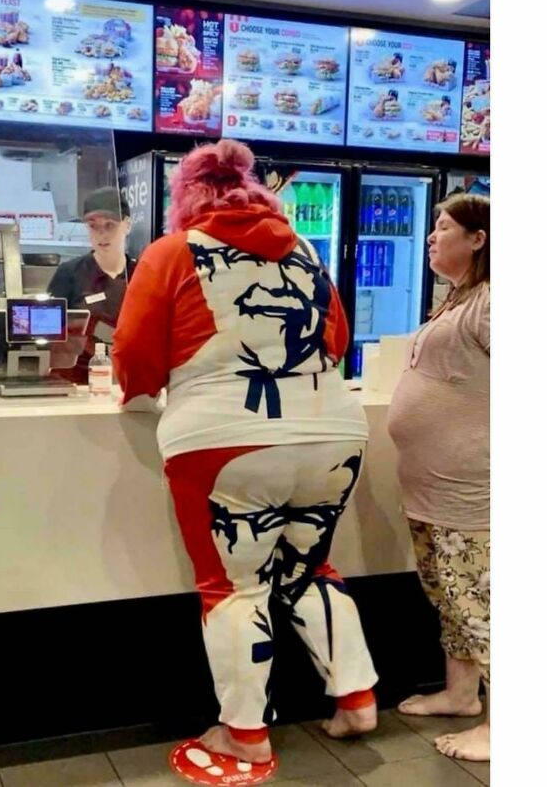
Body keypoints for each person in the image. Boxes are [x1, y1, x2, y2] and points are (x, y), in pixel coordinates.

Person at [112, 140, 378, 764]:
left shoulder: (172, 251)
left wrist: (137, 394)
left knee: (233, 587)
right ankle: (358, 701)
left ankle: (244, 736)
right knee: (309, 570)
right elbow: (336, 338)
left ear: (186, 201)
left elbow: (133, 354)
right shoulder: (307, 250)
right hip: (335, 433)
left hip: (223, 440)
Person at [387, 193, 490, 762]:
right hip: (431, 489)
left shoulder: (493, 301)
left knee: (482, 602)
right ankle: (460, 694)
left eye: (444, 227)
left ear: (477, 239)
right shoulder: (458, 299)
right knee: (450, 596)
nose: (431, 237)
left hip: (472, 492)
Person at [48, 186, 135, 382]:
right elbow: (48, 336)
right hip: (76, 385)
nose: (101, 233)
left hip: (126, 385)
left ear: (127, 225)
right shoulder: (69, 274)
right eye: (93, 226)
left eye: (110, 225)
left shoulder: (141, 274)